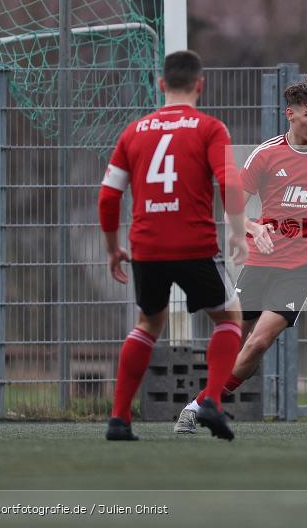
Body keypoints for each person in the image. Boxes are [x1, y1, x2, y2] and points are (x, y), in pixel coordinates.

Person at [173, 78, 307, 433]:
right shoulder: (266, 154)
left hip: (301, 269)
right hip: (260, 261)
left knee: (260, 340)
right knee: (234, 335)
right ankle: (208, 399)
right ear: (290, 115)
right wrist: (254, 229)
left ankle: (202, 405)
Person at [99, 49, 249, 441]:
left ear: (162, 85)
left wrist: (114, 247)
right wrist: (236, 231)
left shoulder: (133, 132)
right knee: (228, 319)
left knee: (148, 323)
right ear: (200, 85)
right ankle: (212, 400)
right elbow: (230, 183)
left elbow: (108, 196)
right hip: (194, 245)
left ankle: (119, 420)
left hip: (146, 248)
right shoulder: (209, 128)